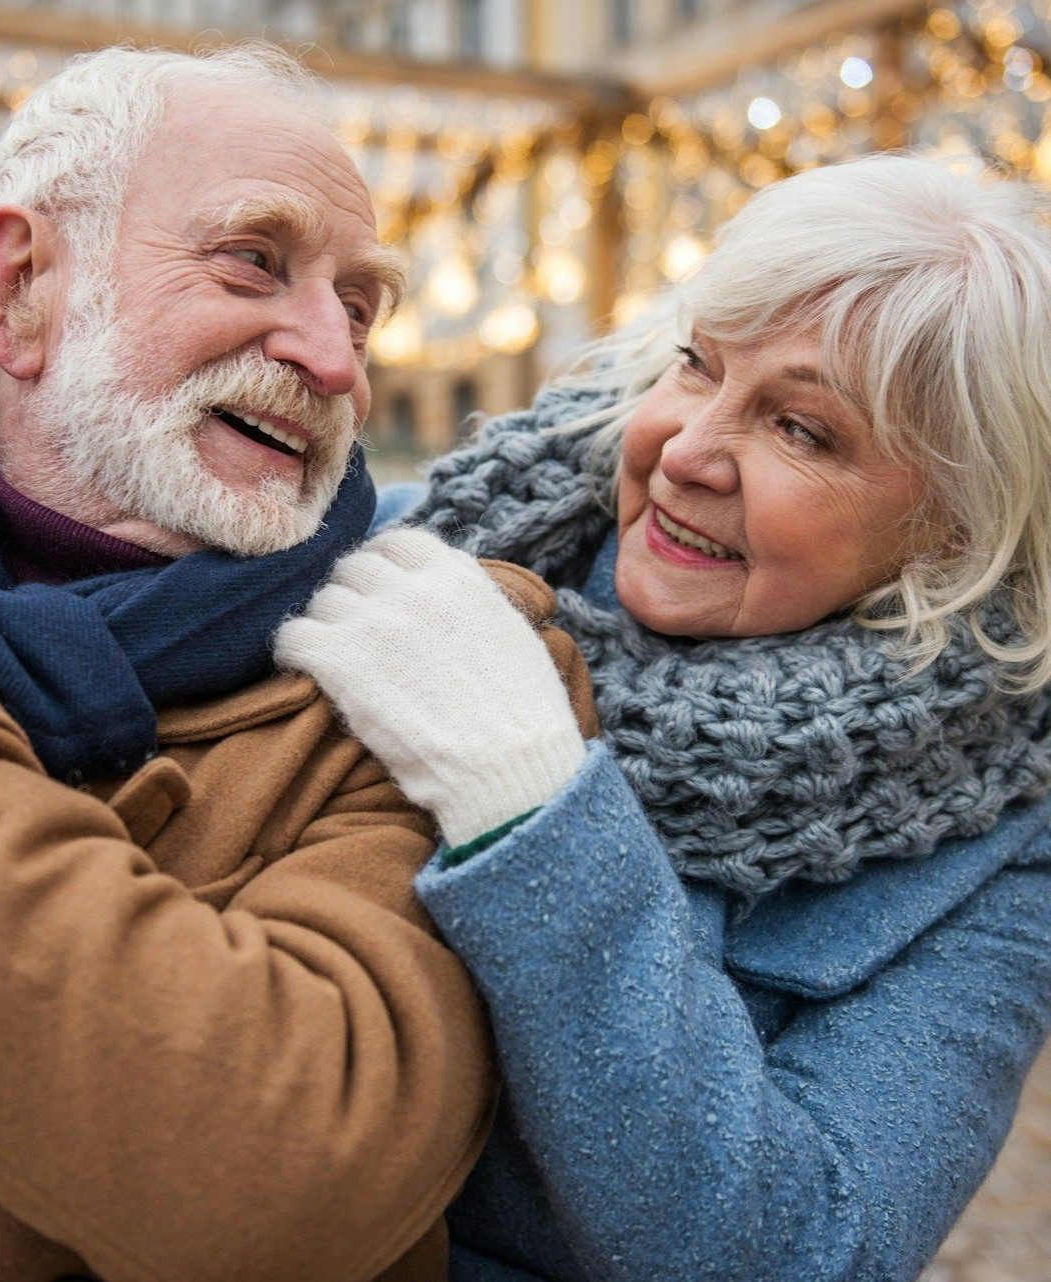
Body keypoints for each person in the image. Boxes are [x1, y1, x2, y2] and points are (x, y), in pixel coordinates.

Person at [0, 44, 566, 1282]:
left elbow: (277, 1174)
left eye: (359, 307)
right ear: (21, 281)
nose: (335, 357)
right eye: (256, 259)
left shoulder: (443, 662)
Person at [277, 153, 1051, 1282]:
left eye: (802, 431)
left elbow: (807, 1252)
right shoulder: (424, 549)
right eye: (698, 365)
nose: (684, 451)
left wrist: (534, 812)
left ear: (956, 532)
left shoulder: (1004, 849)